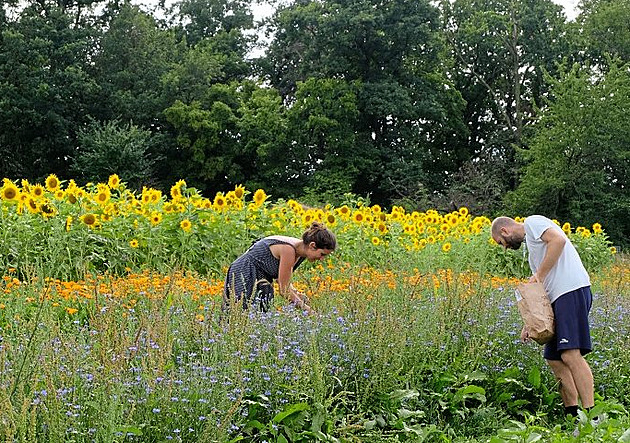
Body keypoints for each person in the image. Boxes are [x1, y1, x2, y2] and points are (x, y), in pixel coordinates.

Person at [491, 215, 595, 420]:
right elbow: (542, 290)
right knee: (554, 358)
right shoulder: (532, 248)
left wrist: (539, 274)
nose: (504, 247)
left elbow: (559, 240)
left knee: (570, 354)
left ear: (504, 231)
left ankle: (593, 417)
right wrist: (529, 323)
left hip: (571, 290)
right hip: (558, 298)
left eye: (501, 243)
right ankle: (573, 417)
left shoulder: (533, 222)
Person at [224, 222, 336, 313]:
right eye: (322, 254)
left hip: (262, 276)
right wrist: (309, 312)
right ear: (312, 246)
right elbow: (284, 290)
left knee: (259, 313)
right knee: (240, 312)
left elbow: (282, 279)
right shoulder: (289, 250)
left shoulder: (300, 253)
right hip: (245, 271)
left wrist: (298, 295)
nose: (322, 259)